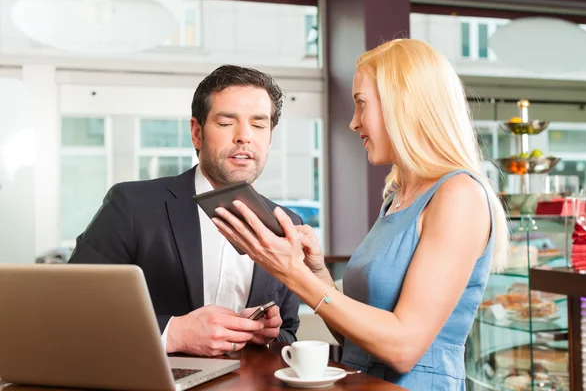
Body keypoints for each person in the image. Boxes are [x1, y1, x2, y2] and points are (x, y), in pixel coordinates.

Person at [210, 39, 509, 389]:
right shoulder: (397, 197)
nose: (353, 123)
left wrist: (292, 274)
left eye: (361, 105)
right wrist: (315, 270)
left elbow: (403, 347)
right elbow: (358, 336)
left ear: (404, 106)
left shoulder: (459, 194)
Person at [68, 65, 302, 357]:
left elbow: (289, 332)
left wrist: (267, 335)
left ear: (269, 138)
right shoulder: (131, 205)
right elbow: (71, 309)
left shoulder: (287, 224)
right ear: (196, 133)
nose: (245, 136)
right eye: (227, 122)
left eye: (258, 125)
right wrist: (173, 333)